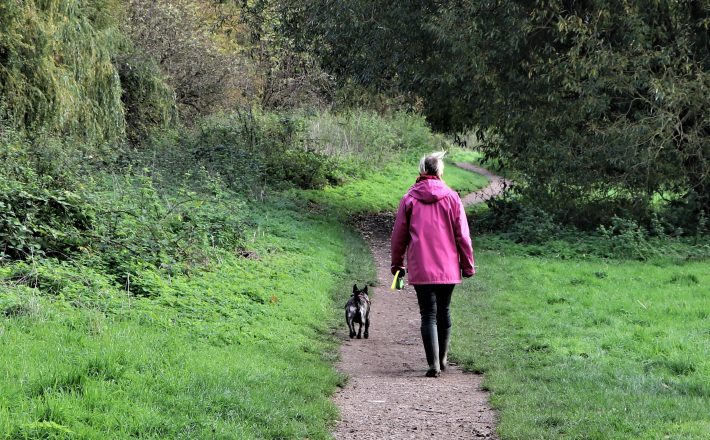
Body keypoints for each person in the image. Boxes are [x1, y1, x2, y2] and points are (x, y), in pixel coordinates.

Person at [390, 151, 475, 377]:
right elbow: (463, 236)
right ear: (439, 171)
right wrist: (467, 265)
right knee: (444, 310)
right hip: (448, 267)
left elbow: (398, 236)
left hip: (421, 266)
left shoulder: (409, 199)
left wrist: (397, 264)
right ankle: (443, 358)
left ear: (421, 170)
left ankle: (433, 364)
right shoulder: (452, 197)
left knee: (427, 313)